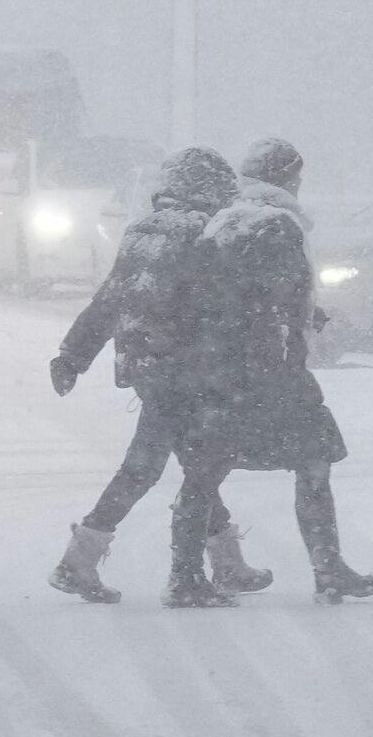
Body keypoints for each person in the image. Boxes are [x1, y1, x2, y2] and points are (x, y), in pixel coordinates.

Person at [170, 138, 373, 607]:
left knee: (205, 472)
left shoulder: (223, 222)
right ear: (288, 178)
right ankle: (328, 569)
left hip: (213, 370)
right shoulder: (279, 226)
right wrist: (284, 360)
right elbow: (271, 304)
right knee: (313, 463)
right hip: (268, 373)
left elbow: (218, 297)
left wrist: (308, 314)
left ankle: (185, 576)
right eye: (298, 177)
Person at [46, 146, 249, 604]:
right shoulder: (204, 235)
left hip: (149, 371)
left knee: (182, 467)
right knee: (176, 470)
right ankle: (175, 575)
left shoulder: (140, 232)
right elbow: (220, 311)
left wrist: (72, 357)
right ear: (209, 189)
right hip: (190, 373)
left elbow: (110, 300)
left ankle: (228, 563)